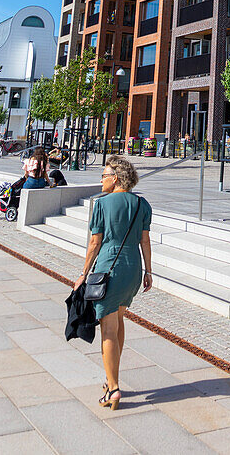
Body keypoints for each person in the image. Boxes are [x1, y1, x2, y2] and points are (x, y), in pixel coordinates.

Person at [74, 155, 153, 408]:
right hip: (132, 269)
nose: (101, 180)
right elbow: (145, 241)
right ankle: (111, 379)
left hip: (110, 268)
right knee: (118, 321)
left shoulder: (102, 204)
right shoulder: (142, 204)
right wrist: (149, 271)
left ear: (115, 178)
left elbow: (95, 242)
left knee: (108, 328)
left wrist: (83, 274)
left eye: (104, 175)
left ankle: (114, 388)